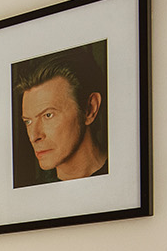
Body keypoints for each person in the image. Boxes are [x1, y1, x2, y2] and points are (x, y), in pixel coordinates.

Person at [14, 49, 109, 184]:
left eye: (48, 115)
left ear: (90, 109)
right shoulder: (32, 197)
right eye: (28, 121)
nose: (34, 136)